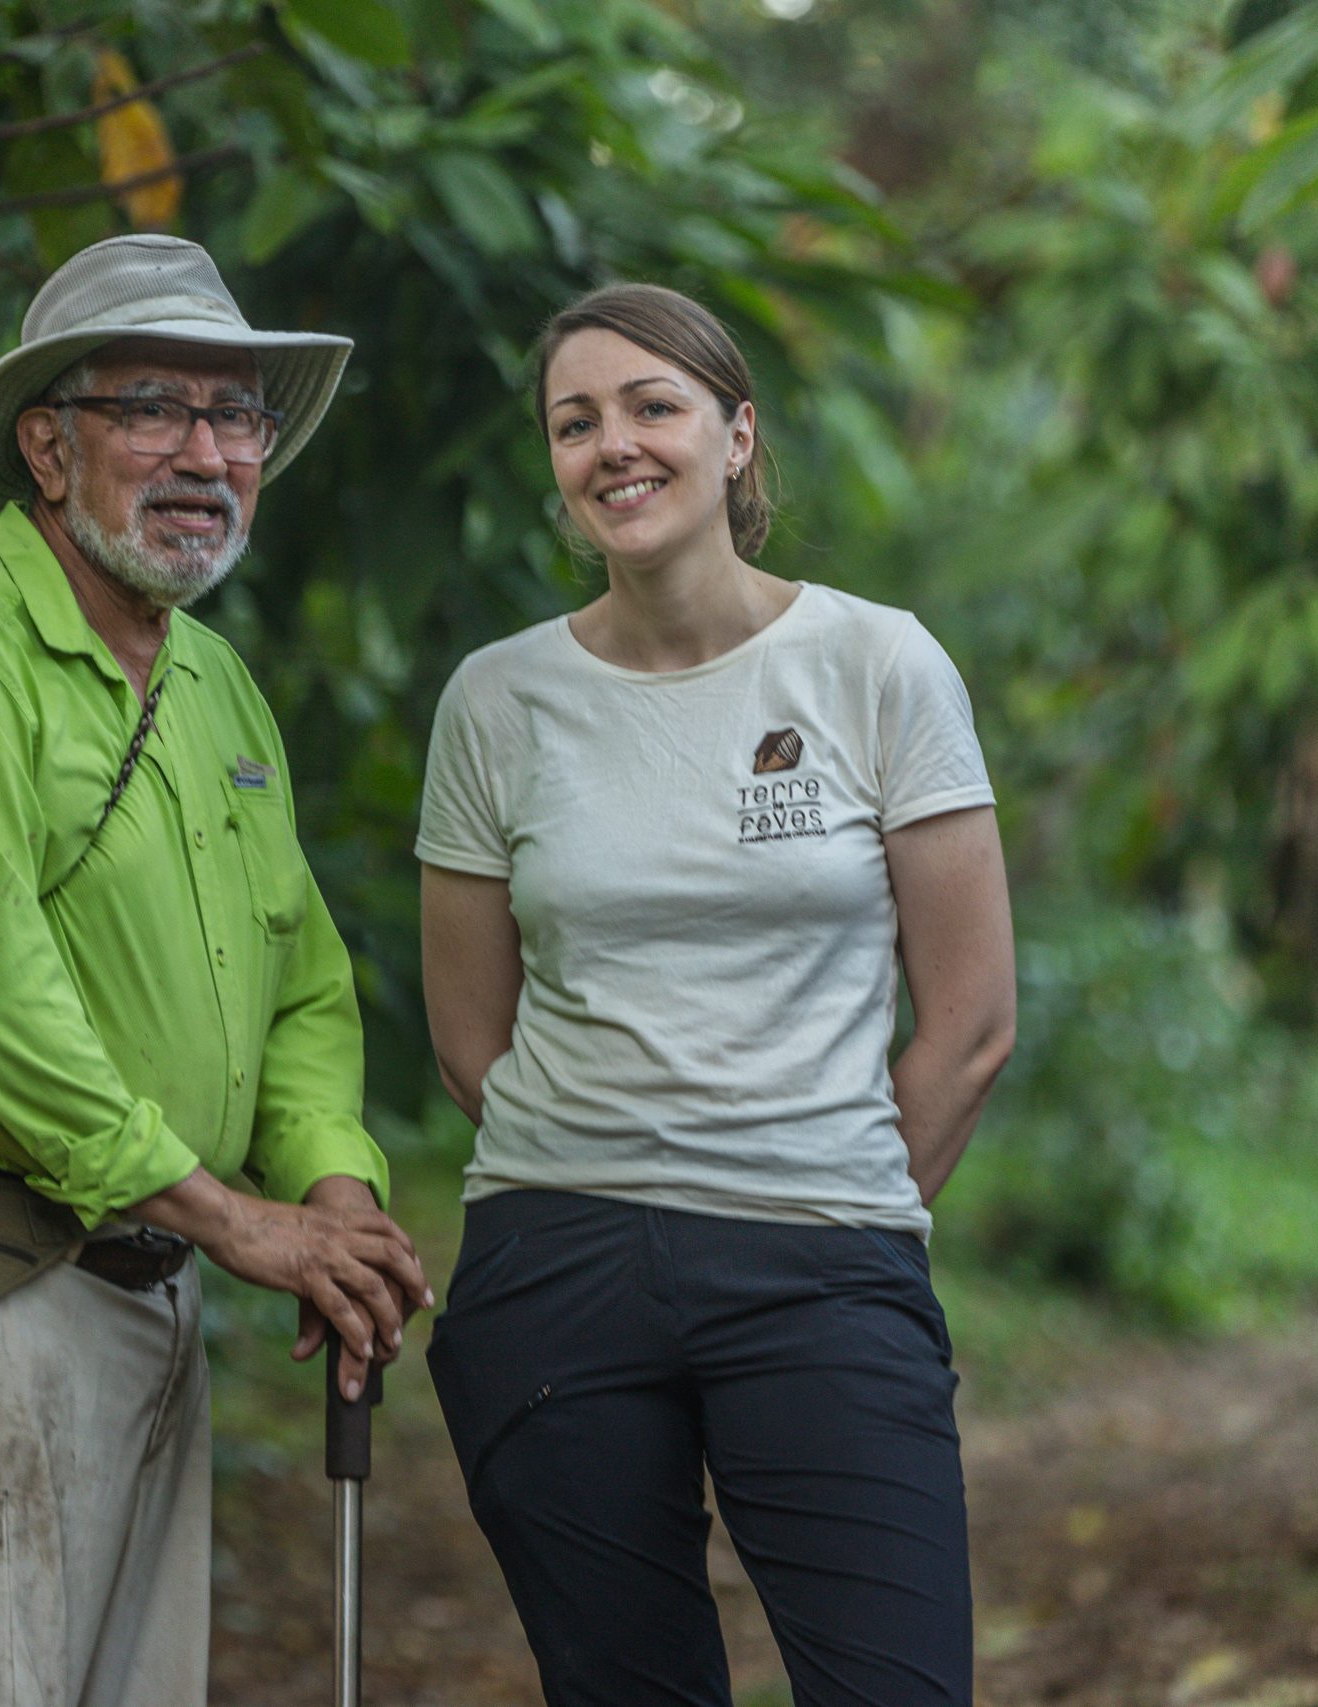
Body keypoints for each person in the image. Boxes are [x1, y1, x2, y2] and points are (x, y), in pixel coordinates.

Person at [0, 233, 431, 1707]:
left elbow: (304, 981)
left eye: (238, 417)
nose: (205, 452)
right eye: (153, 408)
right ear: (48, 450)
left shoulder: (211, 684)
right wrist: (239, 1224)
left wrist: (328, 1190)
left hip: (150, 1294)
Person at [416, 281, 1016, 1707]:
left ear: (736, 436)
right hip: (557, 1268)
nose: (613, 445)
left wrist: (822, 1181)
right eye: (576, 423)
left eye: (651, 406)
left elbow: (973, 1020)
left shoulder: (877, 664)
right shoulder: (496, 703)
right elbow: (467, 1037)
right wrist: (618, 1176)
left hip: (823, 1259)